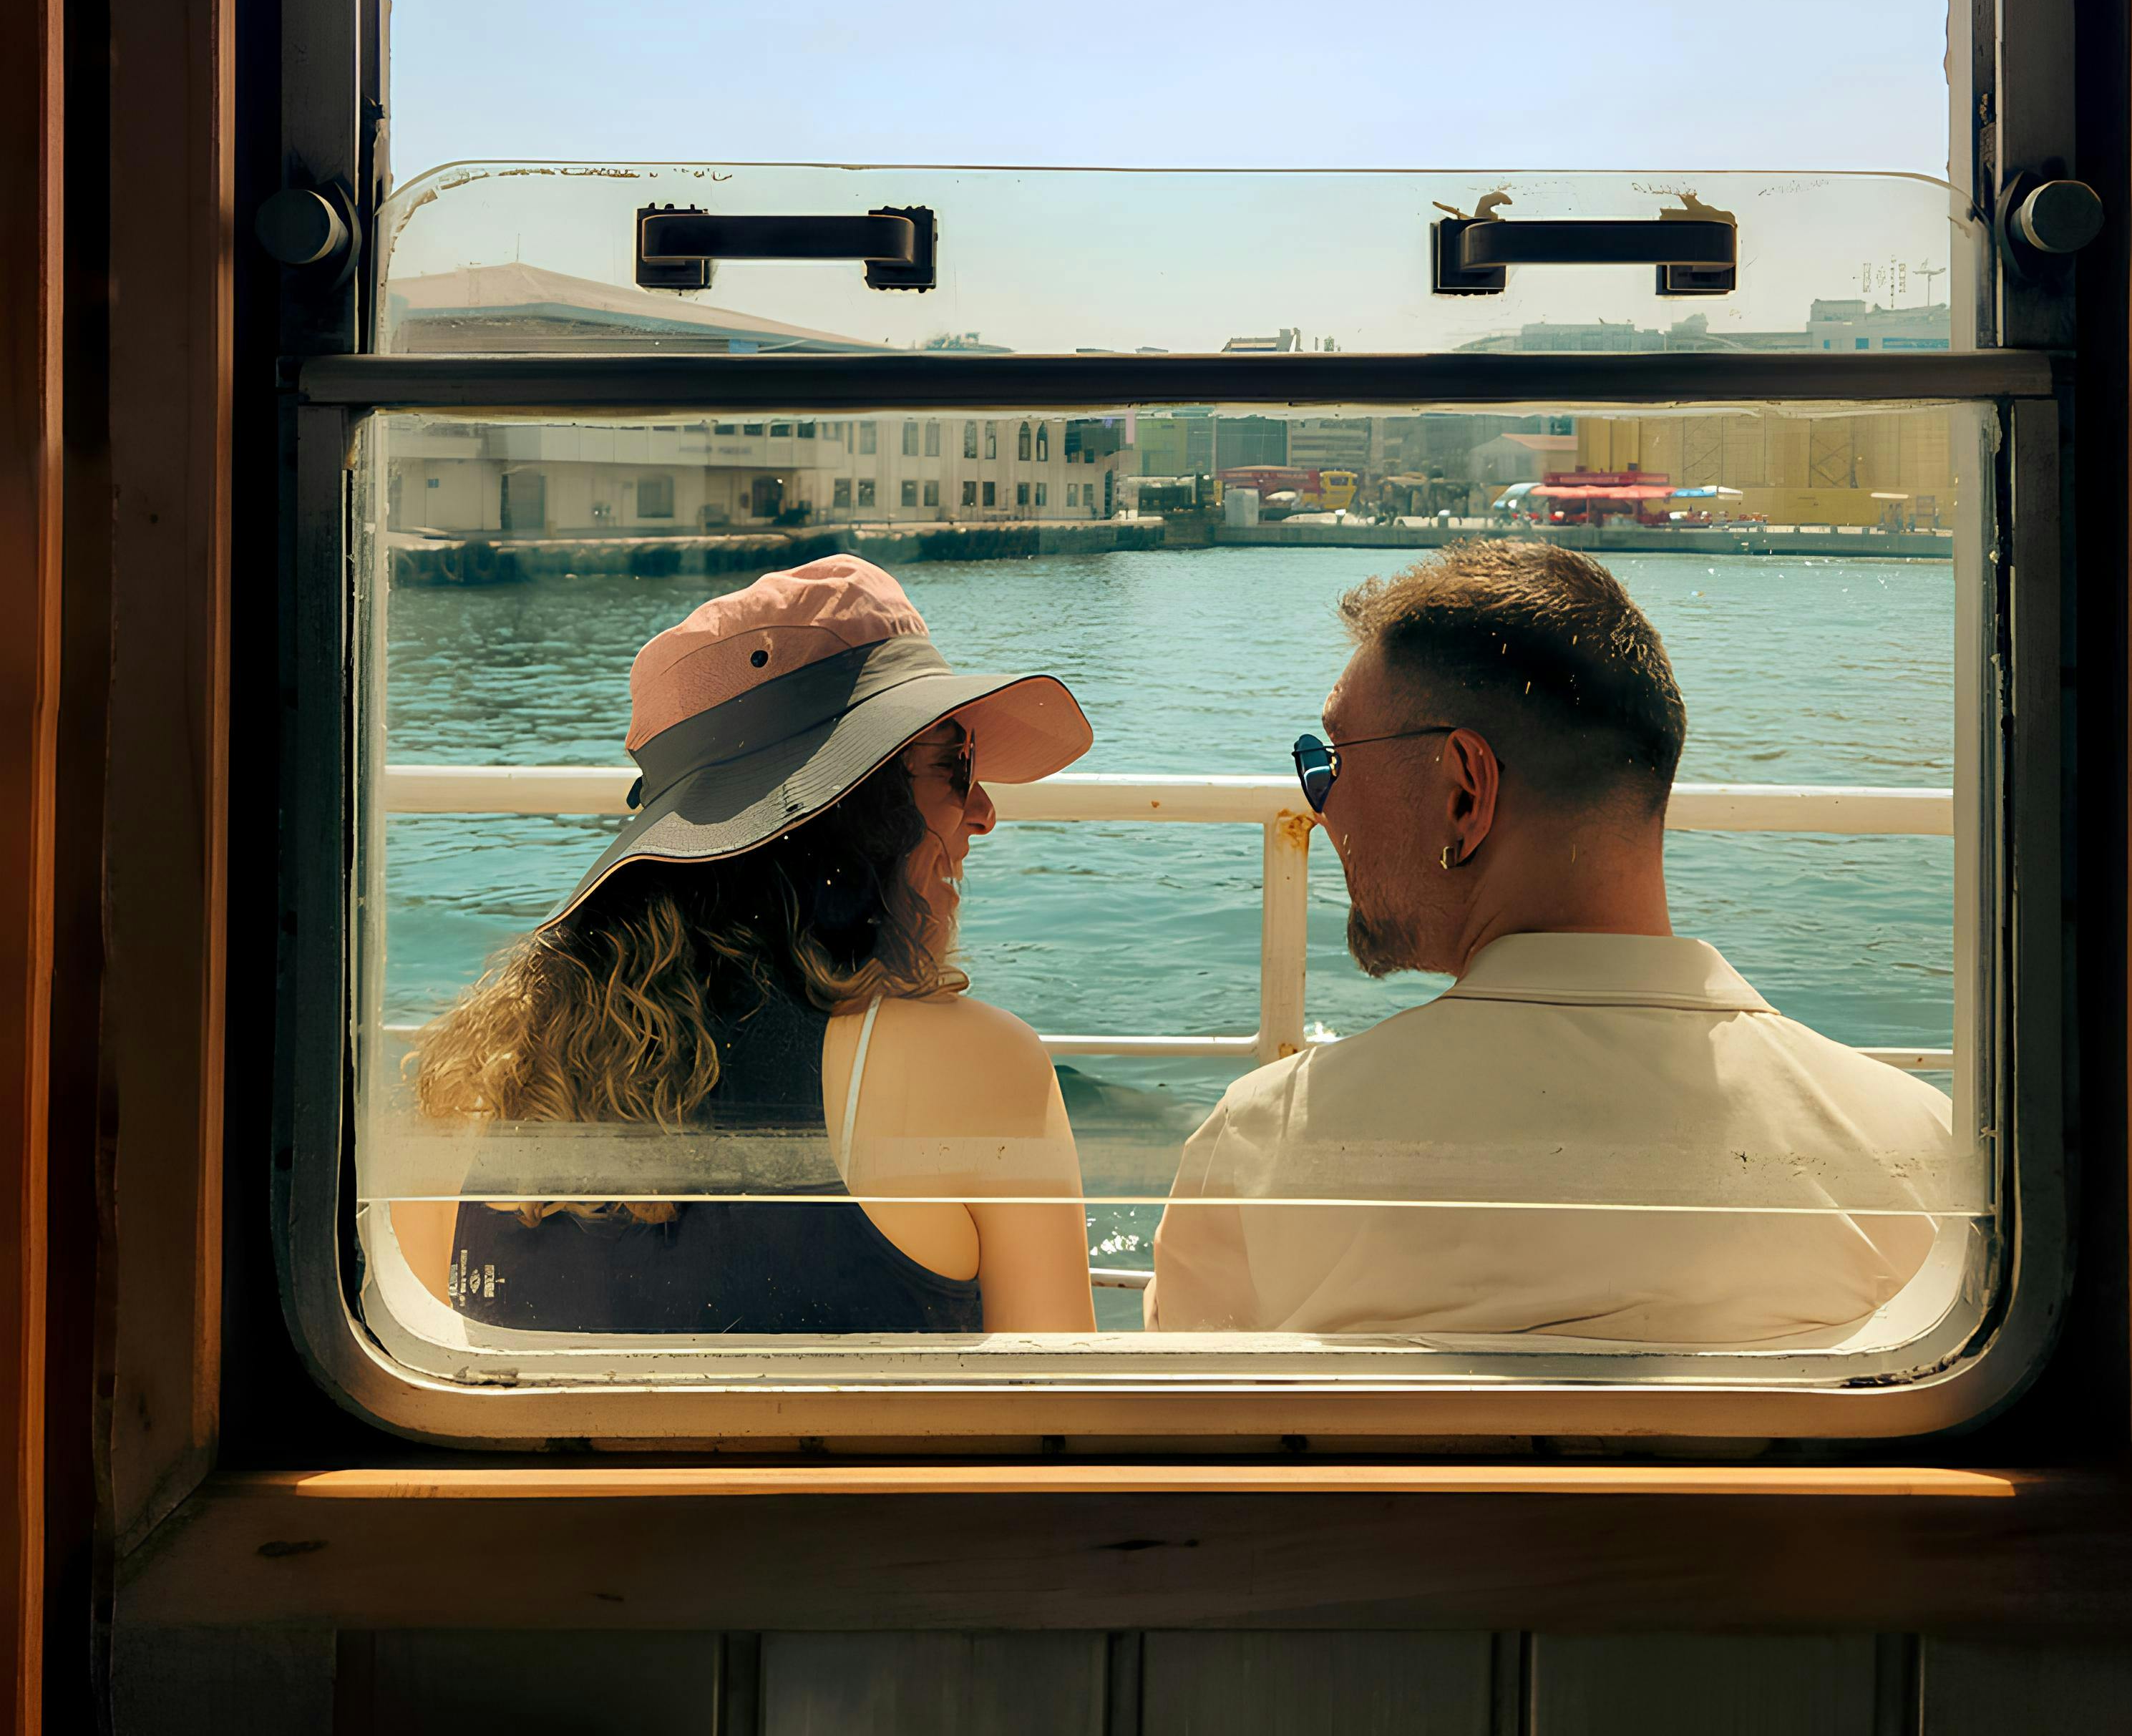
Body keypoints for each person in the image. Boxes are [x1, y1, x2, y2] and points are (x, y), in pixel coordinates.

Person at [1147, 541, 1957, 1341]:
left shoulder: (1266, 1146)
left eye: (1332, 762)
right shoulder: (1919, 1154)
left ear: (1467, 792)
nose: (1321, 808)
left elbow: (1180, 1436)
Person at [394, 555, 1098, 1334]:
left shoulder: (472, 1089)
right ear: (864, 803)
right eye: (957, 764)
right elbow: (1063, 1422)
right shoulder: (981, 1072)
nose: (985, 812)